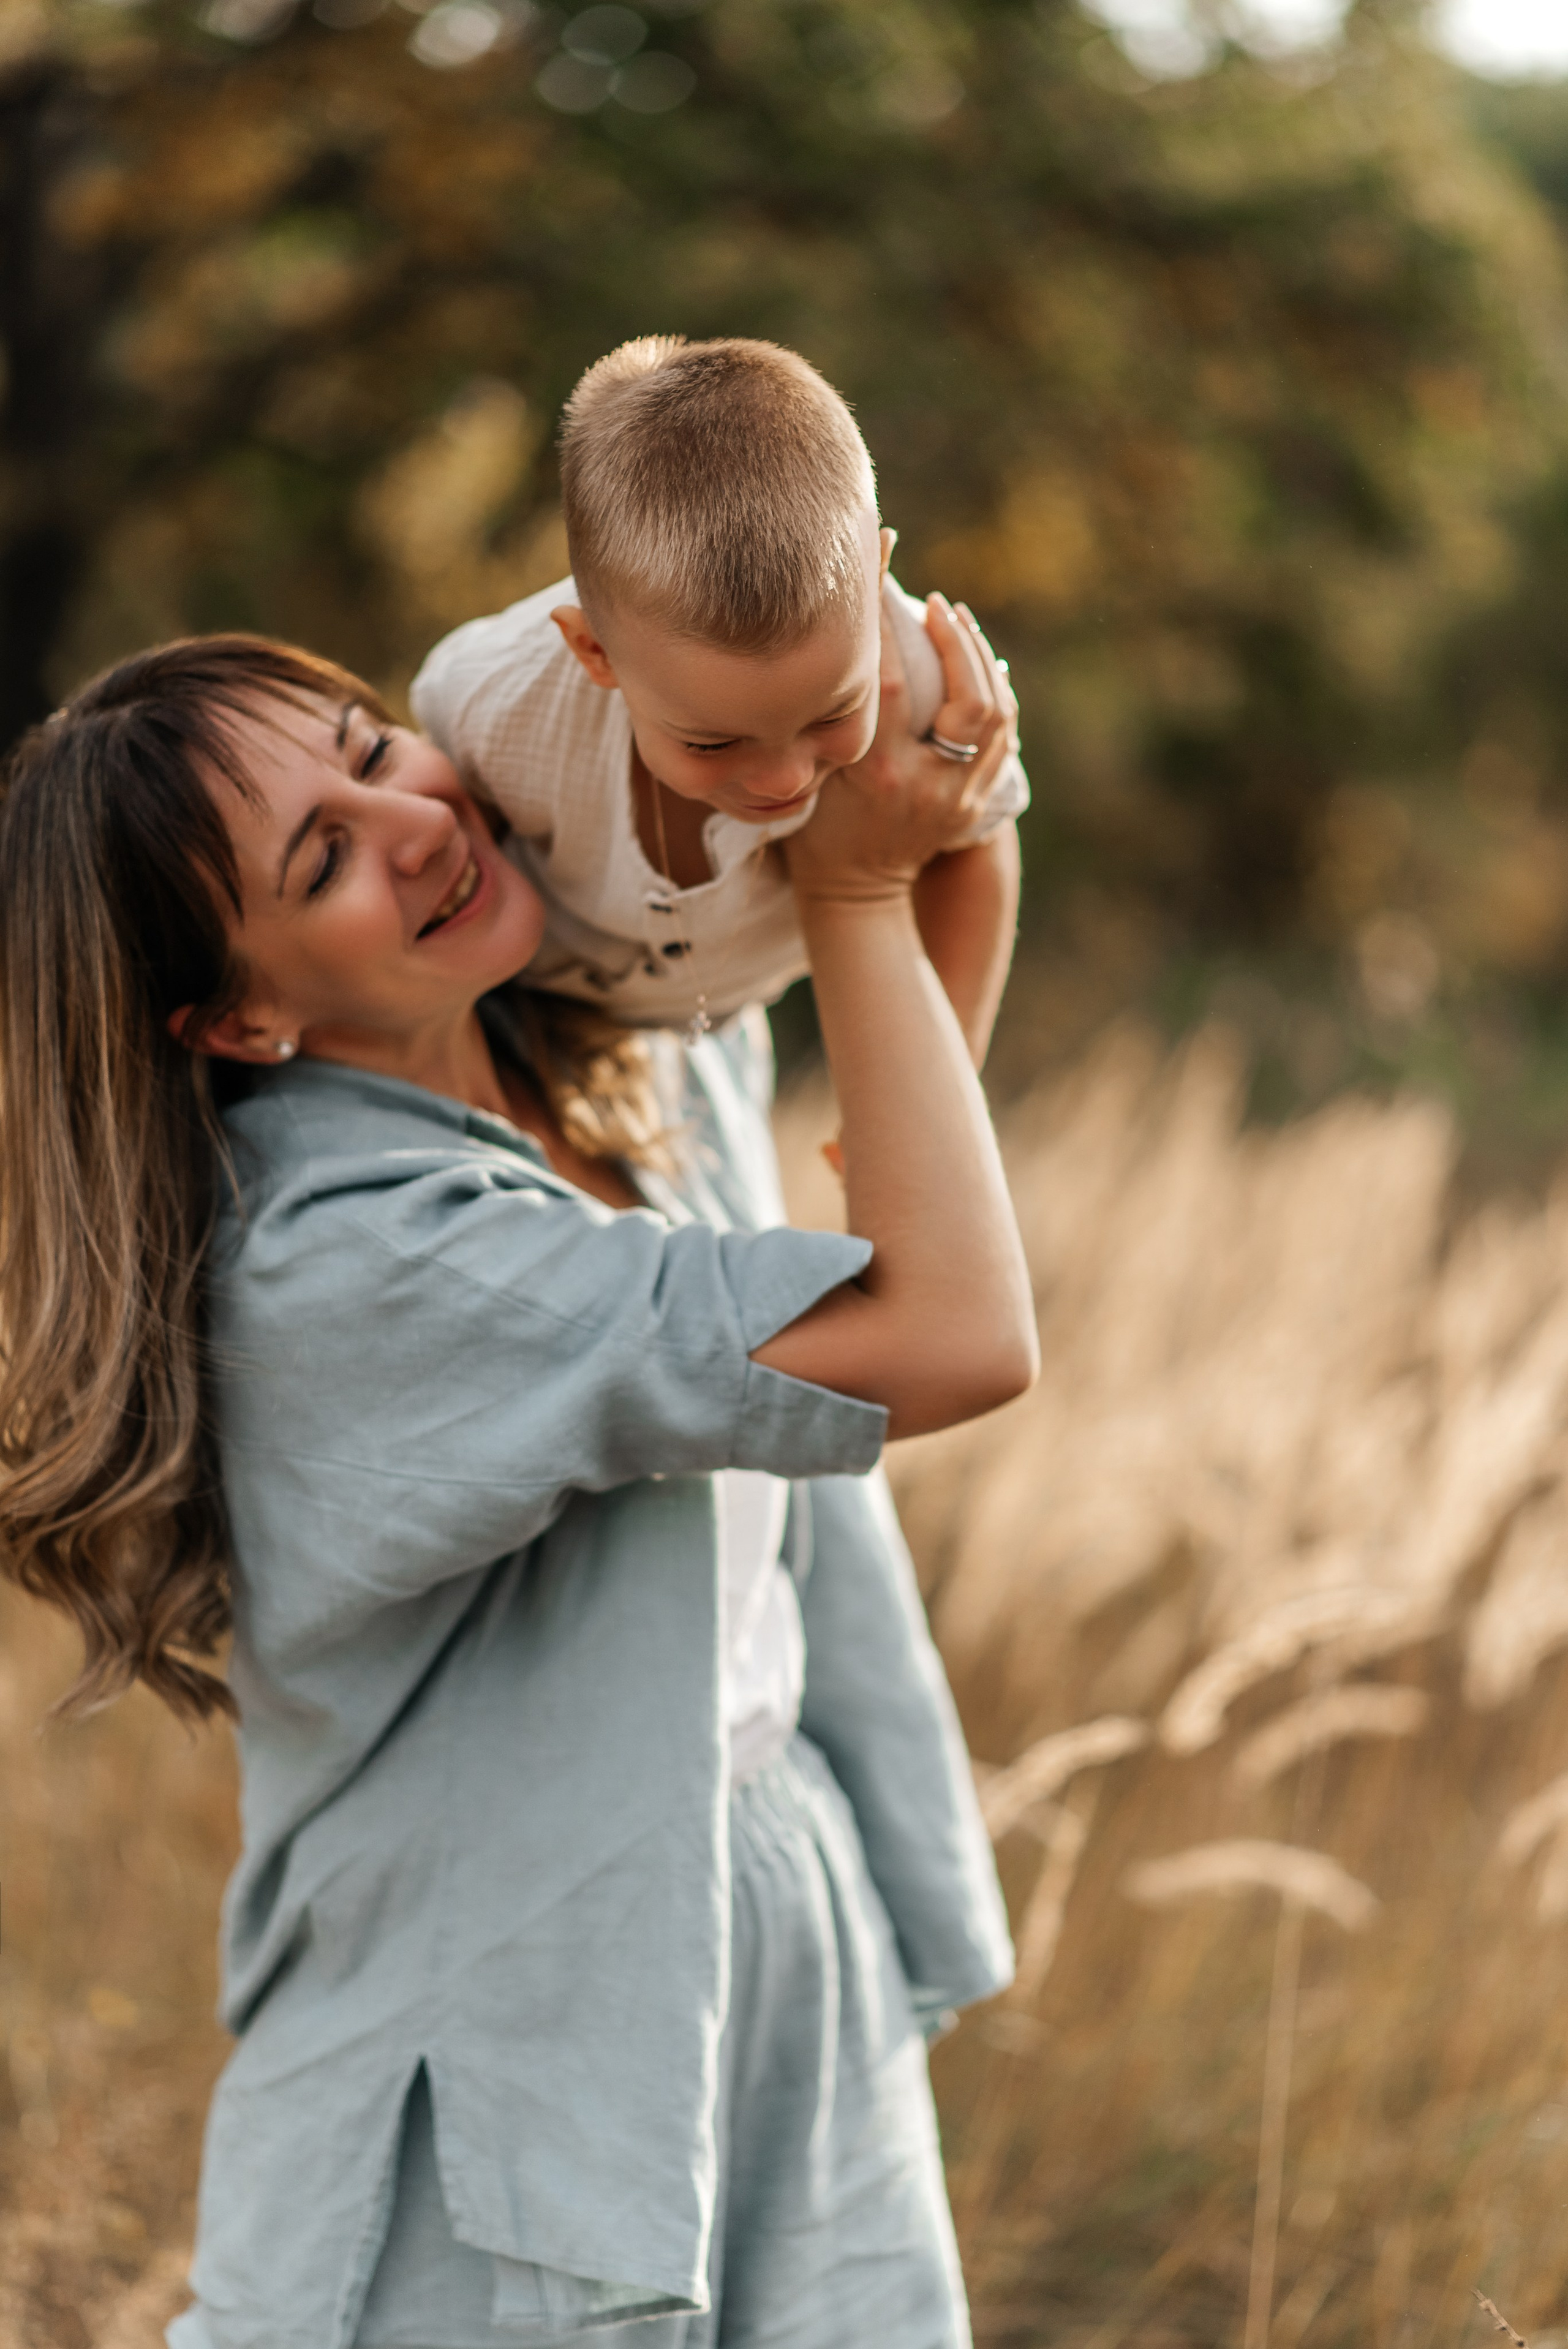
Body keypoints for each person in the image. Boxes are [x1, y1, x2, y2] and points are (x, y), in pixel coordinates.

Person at [0, 627, 1036, 2349]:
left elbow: (911, 1185)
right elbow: (953, 1328)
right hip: (494, 2050)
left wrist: (915, 762)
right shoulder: (351, 1267)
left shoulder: (624, 1053)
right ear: (238, 1016)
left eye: (371, 746)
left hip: (772, 1894)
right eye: (317, 857)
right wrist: (851, 897)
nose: (405, 821)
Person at [411, 335, 1028, 1052]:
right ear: (593, 650)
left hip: (727, 1037)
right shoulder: (497, 706)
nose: (786, 777)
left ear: (874, 572)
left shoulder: (929, 686)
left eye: (833, 711)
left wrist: (948, 1061)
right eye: (711, 741)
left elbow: (976, 843)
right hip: (530, 1012)